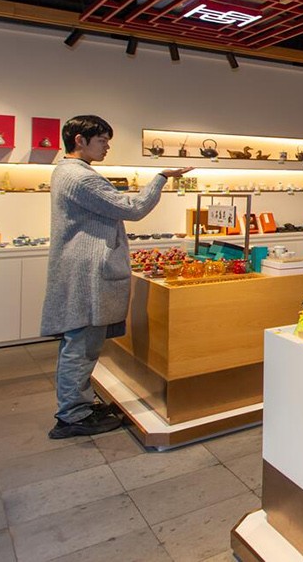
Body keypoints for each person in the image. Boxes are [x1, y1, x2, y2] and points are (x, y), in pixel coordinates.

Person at [41, 115, 190, 439]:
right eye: (102, 140)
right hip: (88, 273)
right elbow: (133, 208)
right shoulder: (80, 177)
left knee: (80, 341)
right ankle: (73, 415)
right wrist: (161, 177)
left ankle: (77, 405)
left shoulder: (67, 171)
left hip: (81, 269)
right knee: (82, 344)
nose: (107, 147)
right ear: (80, 140)